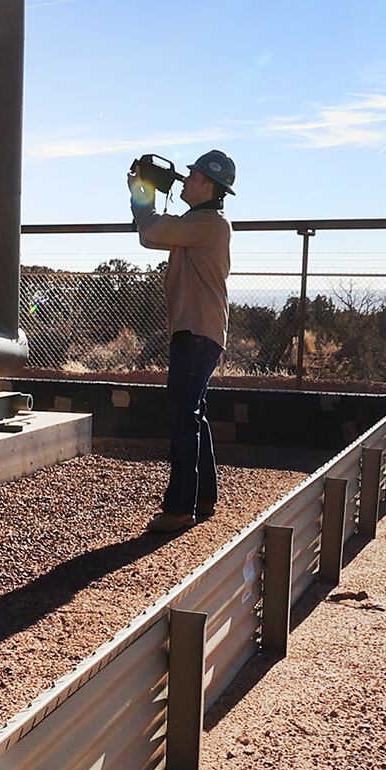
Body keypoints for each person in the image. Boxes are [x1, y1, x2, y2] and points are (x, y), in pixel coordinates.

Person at [130, 149, 237, 529]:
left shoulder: (207, 224)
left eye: (192, 176)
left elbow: (150, 231)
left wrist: (141, 191)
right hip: (199, 330)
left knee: (182, 417)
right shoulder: (204, 223)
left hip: (195, 331)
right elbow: (156, 232)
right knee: (194, 413)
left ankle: (179, 508)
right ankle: (204, 497)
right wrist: (146, 197)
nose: (186, 180)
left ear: (208, 185)